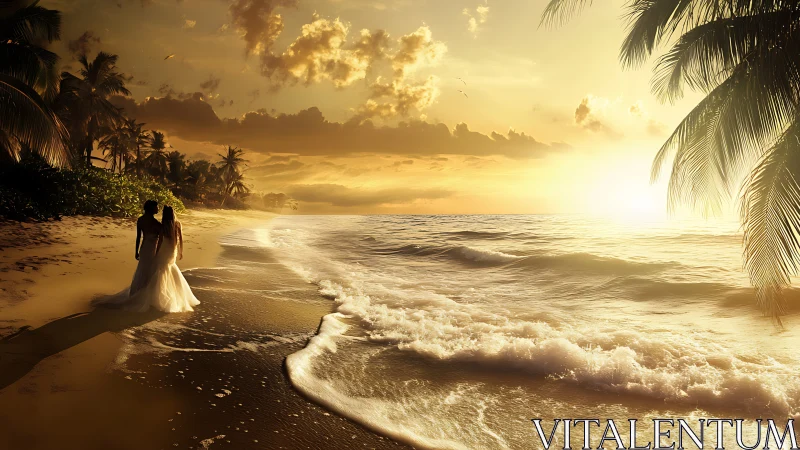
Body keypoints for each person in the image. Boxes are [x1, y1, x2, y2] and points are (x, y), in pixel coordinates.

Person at [93, 204, 199, 313]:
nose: (158, 210)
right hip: (169, 250)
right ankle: (166, 294)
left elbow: (149, 239)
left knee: (152, 270)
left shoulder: (153, 223)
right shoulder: (166, 225)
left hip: (149, 248)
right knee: (164, 270)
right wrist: (180, 251)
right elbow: (177, 239)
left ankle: (146, 291)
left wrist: (147, 251)